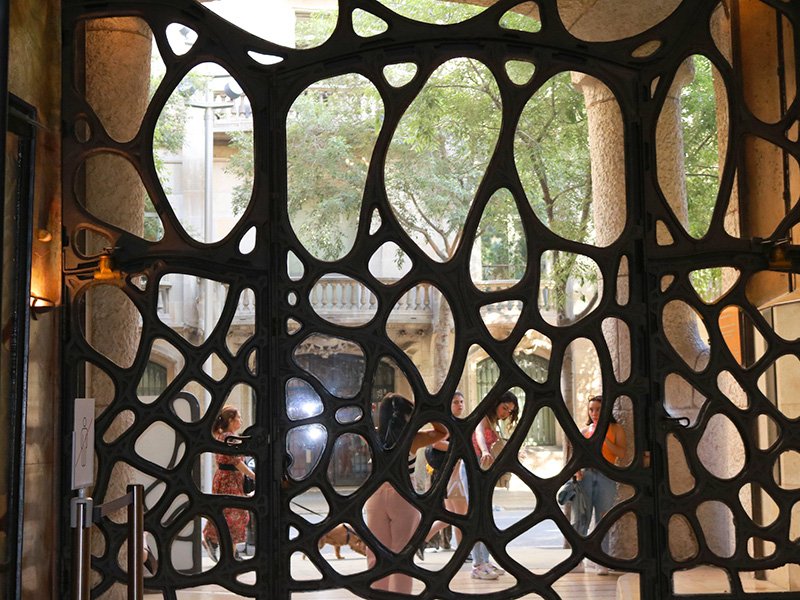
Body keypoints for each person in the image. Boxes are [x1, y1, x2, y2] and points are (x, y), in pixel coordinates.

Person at [365, 393, 447, 594]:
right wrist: (427, 410)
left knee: (376, 555)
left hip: (375, 496)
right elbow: (442, 432)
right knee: (402, 556)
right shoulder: (413, 439)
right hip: (402, 496)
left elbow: (357, 424)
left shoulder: (372, 436)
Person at [571, 394, 626, 575]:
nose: (594, 413)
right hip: (586, 476)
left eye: (598, 410)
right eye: (591, 409)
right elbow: (577, 456)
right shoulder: (585, 431)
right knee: (582, 518)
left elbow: (622, 453)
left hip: (607, 476)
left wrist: (603, 437)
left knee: (603, 519)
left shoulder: (616, 429)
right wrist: (577, 471)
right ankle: (577, 560)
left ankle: (601, 560)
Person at [470, 390, 519, 580]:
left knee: (485, 517)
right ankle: (478, 565)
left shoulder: (494, 421)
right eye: (504, 408)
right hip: (475, 467)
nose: (506, 413)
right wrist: (484, 450)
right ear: (496, 403)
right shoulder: (483, 417)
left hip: (485, 469)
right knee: (477, 517)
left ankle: (485, 561)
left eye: (510, 411)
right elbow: (479, 434)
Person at [202, 405, 256, 562]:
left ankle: (228, 549)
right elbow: (237, 462)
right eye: (238, 417)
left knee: (228, 513)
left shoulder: (224, 436)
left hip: (226, 478)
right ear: (231, 420)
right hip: (229, 481)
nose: (241, 420)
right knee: (237, 515)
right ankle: (222, 546)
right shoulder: (229, 438)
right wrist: (254, 476)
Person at [420, 391, 468, 554]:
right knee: (459, 516)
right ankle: (463, 552)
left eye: (461, 402)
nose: (459, 405)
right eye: (455, 402)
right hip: (451, 475)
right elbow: (436, 443)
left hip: (451, 474)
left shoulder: (456, 422)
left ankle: (421, 540)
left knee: (450, 516)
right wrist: (461, 448)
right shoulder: (446, 423)